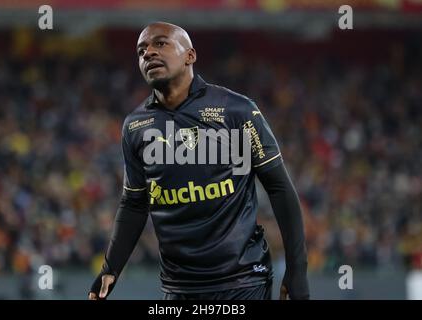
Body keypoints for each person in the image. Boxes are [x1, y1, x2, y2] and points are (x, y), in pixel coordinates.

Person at [89, 22, 309, 300]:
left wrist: (297, 269)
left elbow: (279, 188)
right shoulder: (136, 127)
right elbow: (134, 203)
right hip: (178, 288)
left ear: (190, 55)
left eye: (160, 44)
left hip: (242, 283)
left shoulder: (236, 111)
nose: (148, 54)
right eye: (141, 50)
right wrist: (111, 268)